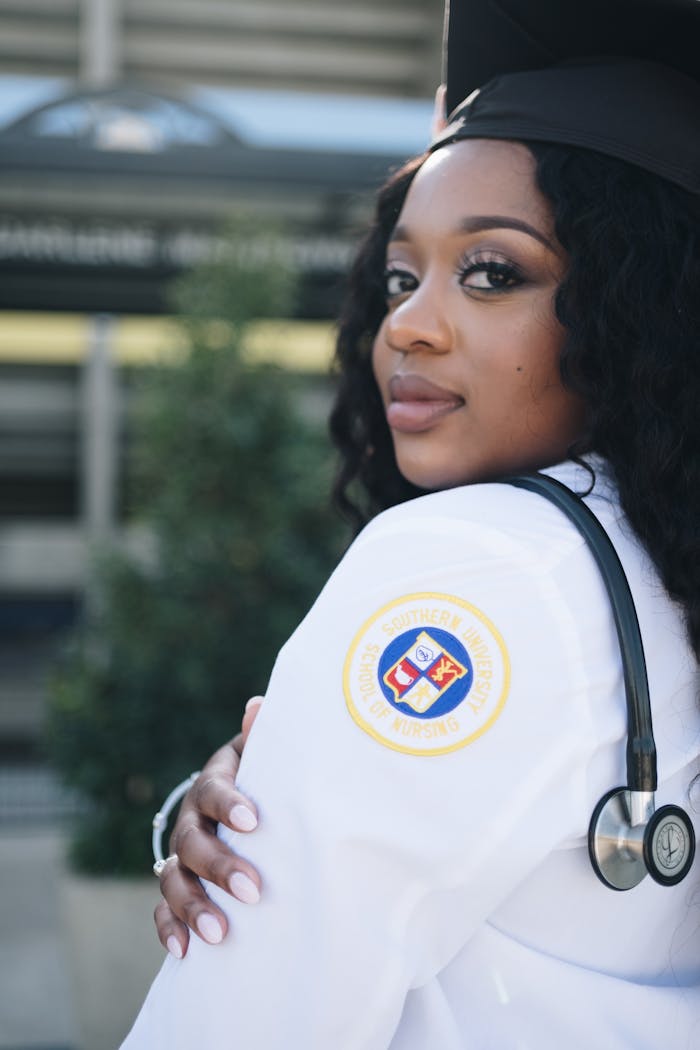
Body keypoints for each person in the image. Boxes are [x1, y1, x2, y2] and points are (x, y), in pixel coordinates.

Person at [123, 1, 700, 1046]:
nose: (407, 323)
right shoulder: (664, 570)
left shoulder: (475, 560)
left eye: (493, 273)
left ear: (637, 306)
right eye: (402, 274)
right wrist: (286, 777)